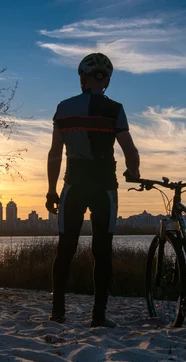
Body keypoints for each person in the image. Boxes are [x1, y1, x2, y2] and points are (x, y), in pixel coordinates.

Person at [45, 53, 140, 328]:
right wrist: (134, 174)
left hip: (73, 185)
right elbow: (130, 152)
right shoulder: (115, 109)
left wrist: (51, 191)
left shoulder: (64, 108)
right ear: (106, 81)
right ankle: (98, 316)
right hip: (105, 186)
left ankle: (58, 311)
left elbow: (55, 154)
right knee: (103, 251)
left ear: (82, 76)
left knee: (66, 249)